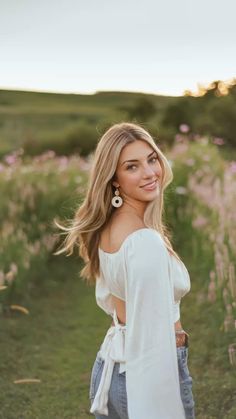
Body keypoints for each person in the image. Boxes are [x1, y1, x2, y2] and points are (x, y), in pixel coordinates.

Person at [55, 122, 195, 419]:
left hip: (113, 364)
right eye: (132, 166)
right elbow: (150, 335)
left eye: (152, 159)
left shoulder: (111, 226)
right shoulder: (143, 242)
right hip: (147, 371)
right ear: (114, 179)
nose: (149, 172)